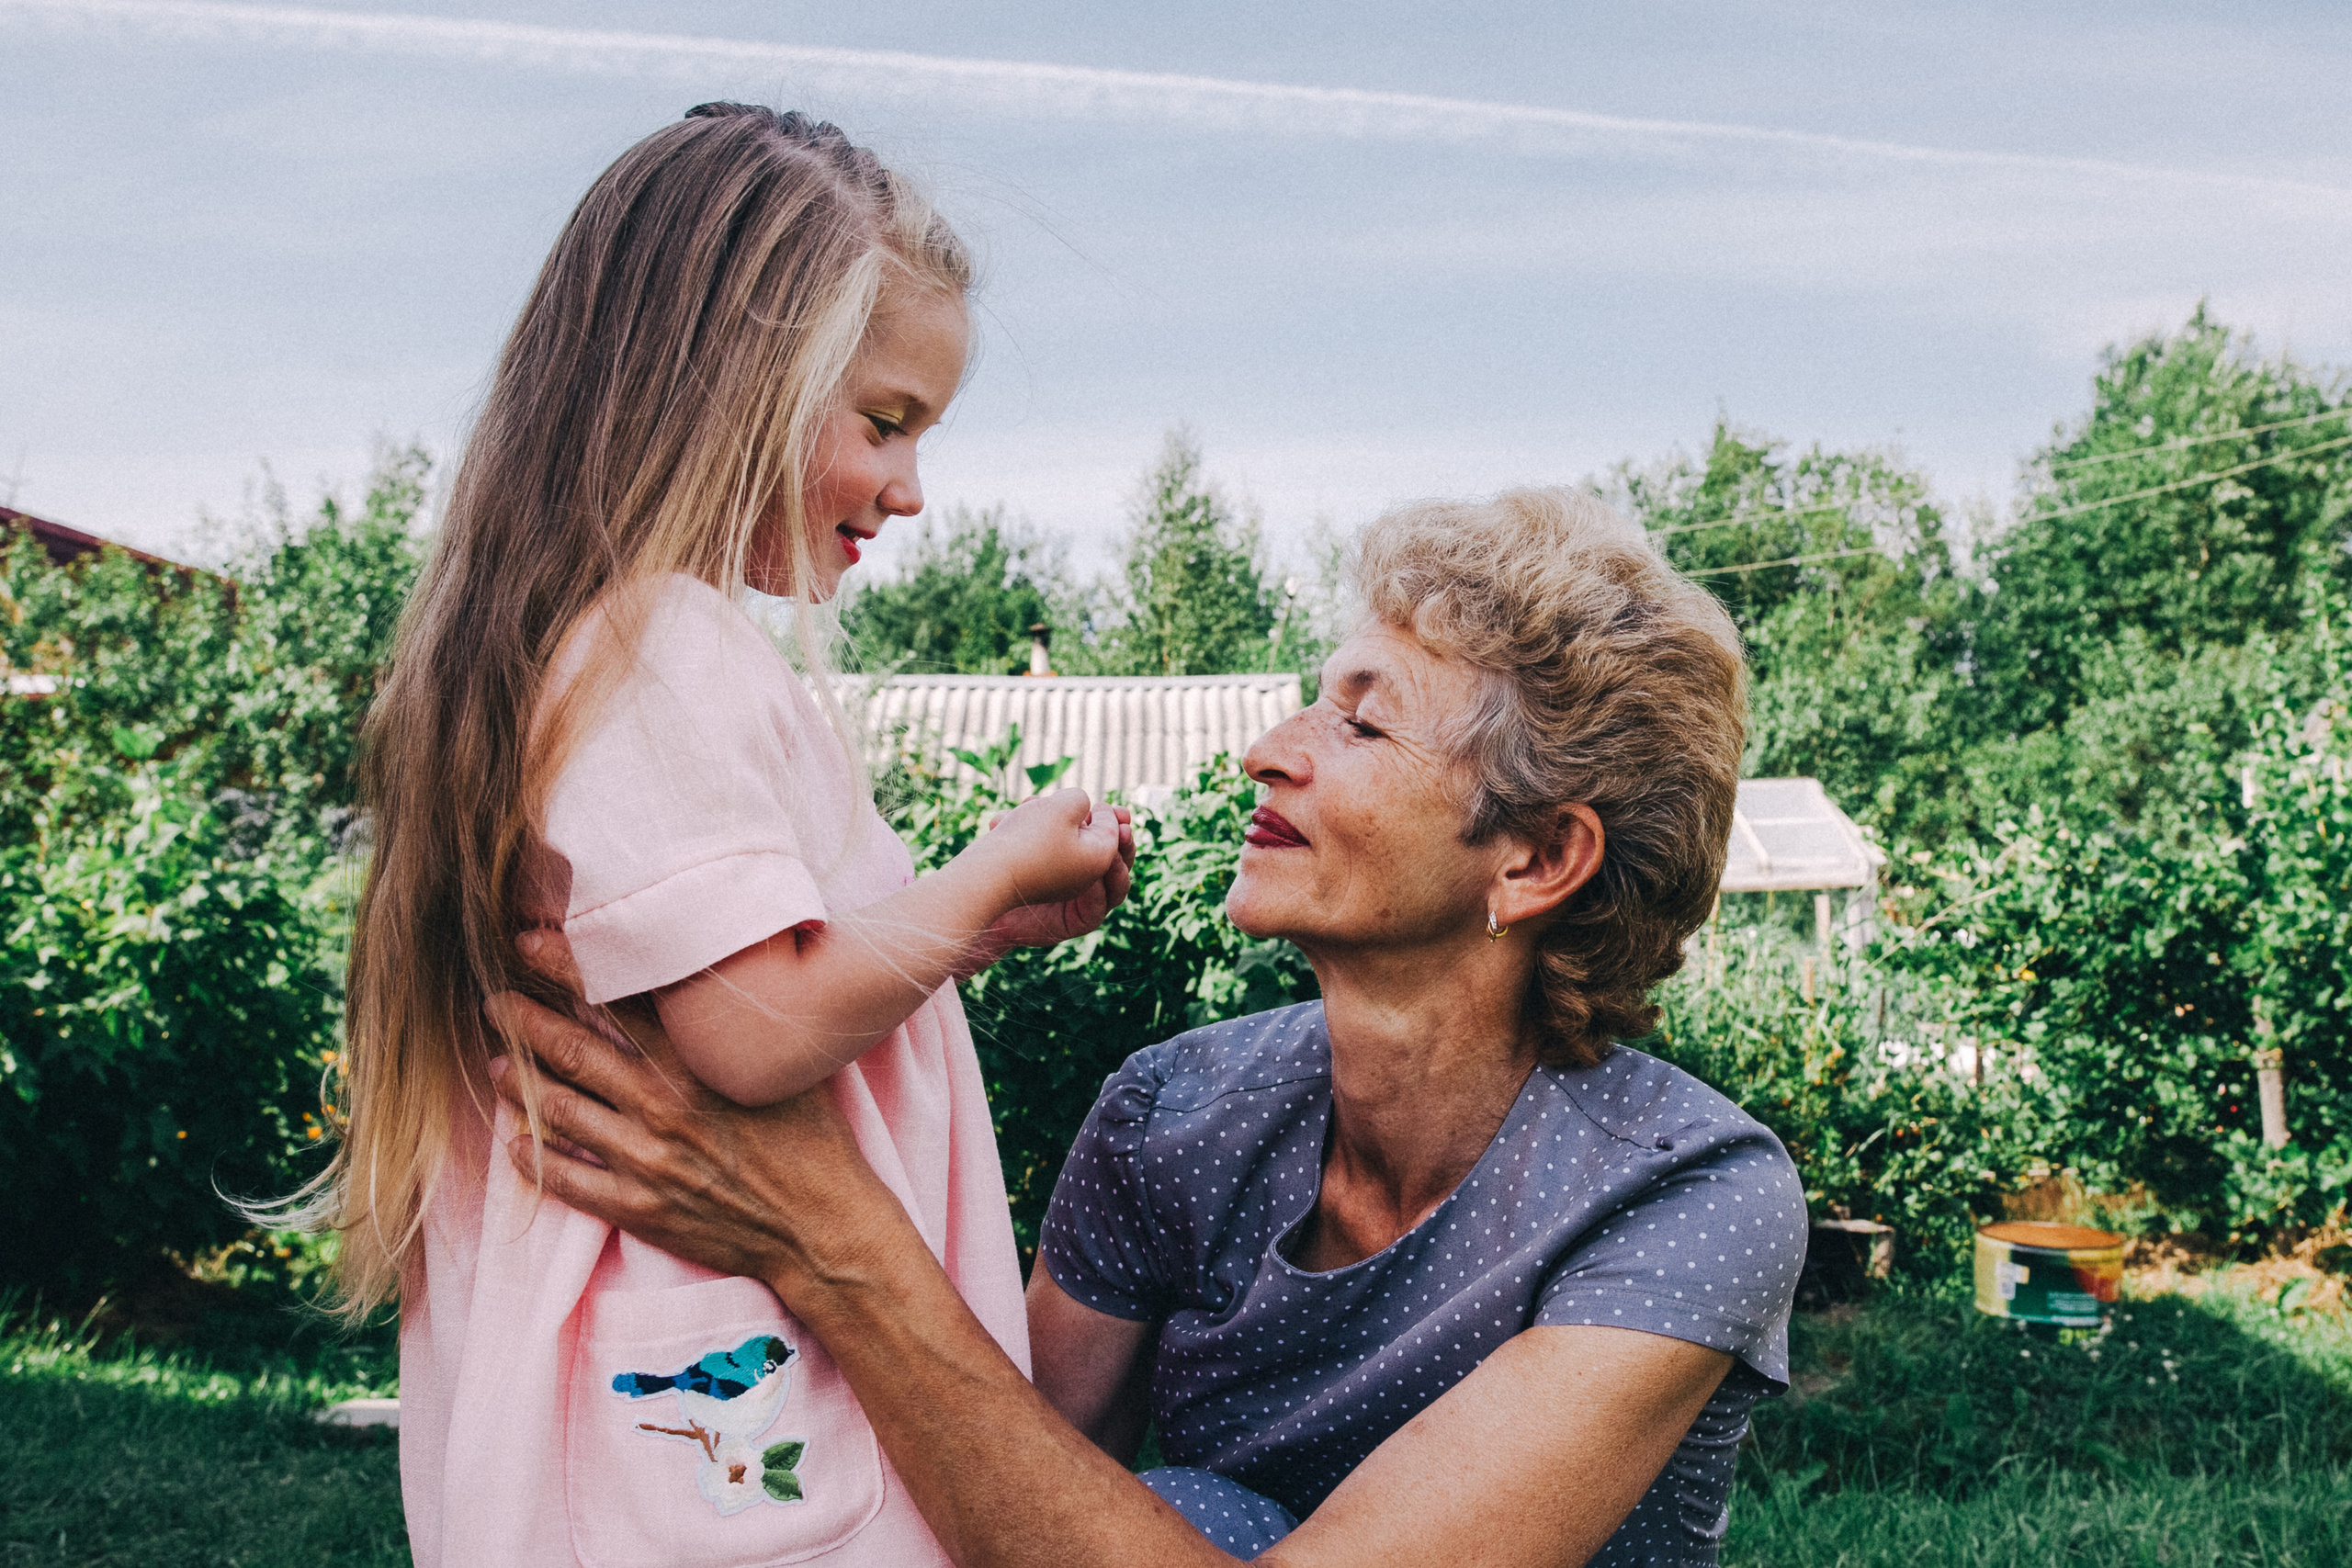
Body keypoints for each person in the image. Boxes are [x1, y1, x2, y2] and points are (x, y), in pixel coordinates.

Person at [486, 487, 1812, 1567]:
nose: (1272, 751)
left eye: (1360, 722)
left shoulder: (1692, 1200)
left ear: (1532, 862)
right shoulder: (1178, 1114)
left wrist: (836, 1239)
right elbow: (984, 1481)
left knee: (1206, 1522)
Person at [278, 105, 1133, 1567]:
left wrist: (958, 933)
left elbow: (748, 991)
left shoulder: (585, 651)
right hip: (728, 1401)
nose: (913, 487)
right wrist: (983, 884)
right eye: (885, 421)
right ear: (726, 381)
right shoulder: (663, 648)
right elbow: (752, 1030)